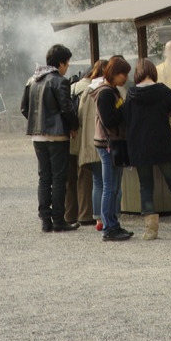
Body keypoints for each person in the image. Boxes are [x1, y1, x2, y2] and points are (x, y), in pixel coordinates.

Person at [124, 57, 171, 240]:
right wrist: (168, 112)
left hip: (140, 147)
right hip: (162, 144)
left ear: (137, 74)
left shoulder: (131, 94)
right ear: (153, 72)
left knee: (146, 186)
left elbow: (125, 118)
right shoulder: (163, 91)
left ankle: (151, 229)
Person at [20, 43, 79, 232]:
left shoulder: (32, 80)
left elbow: (24, 108)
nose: (68, 66)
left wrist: (36, 122)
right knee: (59, 178)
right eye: (67, 63)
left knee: (44, 178)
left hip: (37, 137)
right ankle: (59, 219)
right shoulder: (59, 81)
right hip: (57, 135)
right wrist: (74, 126)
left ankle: (45, 221)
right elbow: (67, 108)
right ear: (60, 63)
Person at [90, 54, 133, 242]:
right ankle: (109, 228)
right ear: (114, 73)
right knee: (110, 187)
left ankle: (113, 224)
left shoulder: (111, 90)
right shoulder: (106, 93)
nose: (126, 78)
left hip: (111, 143)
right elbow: (109, 119)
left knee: (114, 187)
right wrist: (125, 109)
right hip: (108, 144)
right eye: (123, 74)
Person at [77, 58, 108, 230]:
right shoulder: (110, 89)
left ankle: (98, 219)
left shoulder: (87, 91)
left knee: (97, 181)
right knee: (110, 183)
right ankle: (110, 216)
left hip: (90, 142)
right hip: (106, 141)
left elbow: (80, 116)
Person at [64, 65, 94, 226]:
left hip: (68, 138)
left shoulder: (70, 87)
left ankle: (69, 214)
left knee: (69, 179)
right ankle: (85, 214)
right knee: (84, 176)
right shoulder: (91, 89)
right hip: (83, 137)